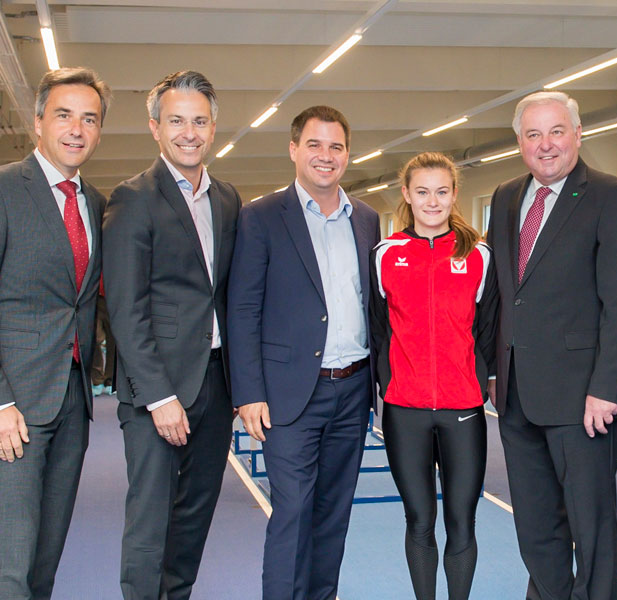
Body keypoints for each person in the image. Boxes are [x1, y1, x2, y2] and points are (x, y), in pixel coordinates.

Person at [485, 91, 617, 600]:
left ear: (577, 135)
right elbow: (502, 294)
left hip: (582, 400)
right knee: (535, 528)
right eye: (533, 134)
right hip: (516, 396)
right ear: (519, 142)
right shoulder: (506, 196)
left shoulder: (609, 195)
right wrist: (493, 370)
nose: (546, 144)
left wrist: (607, 388)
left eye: (556, 131)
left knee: (590, 530)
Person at [227, 105, 380, 600]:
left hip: (353, 390)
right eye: (314, 144)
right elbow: (243, 309)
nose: (325, 156)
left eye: (336, 147)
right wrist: (248, 392)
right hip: (289, 395)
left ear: (347, 155)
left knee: (333, 514)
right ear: (293, 150)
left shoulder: (367, 219)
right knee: (292, 511)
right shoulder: (262, 216)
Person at [103, 70, 242, 600]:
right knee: (150, 522)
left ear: (213, 128)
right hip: (156, 390)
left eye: (200, 121)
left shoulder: (226, 199)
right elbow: (125, 306)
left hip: (214, 382)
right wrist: (158, 395)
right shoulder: (133, 198)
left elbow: (225, 296)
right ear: (155, 128)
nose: (190, 132)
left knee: (193, 520)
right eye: (177, 121)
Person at [0, 66, 110, 600]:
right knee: (11, 567)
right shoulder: (4, 188)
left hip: (72, 401)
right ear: (38, 120)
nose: (76, 129)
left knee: (45, 563)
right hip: (15, 408)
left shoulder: (93, 202)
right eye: (64, 115)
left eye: (89, 119)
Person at [369, 152, 498, 600]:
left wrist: (476, 381)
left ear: (454, 195)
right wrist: (389, 386)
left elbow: (487, 330)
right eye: (422, 191)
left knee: (463, 520)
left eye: (442, 191)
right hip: (405, 410)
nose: (432, 201)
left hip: (463, 410)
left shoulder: (478, 255)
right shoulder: (386, 255)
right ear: (406, 195)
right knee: (419, 520)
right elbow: (378, 329)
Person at [91, 275, 115, 395]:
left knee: (113, 341)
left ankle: (109, 380)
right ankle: (97, 380)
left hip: (113, 299)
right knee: (95, 338)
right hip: (95, 298)